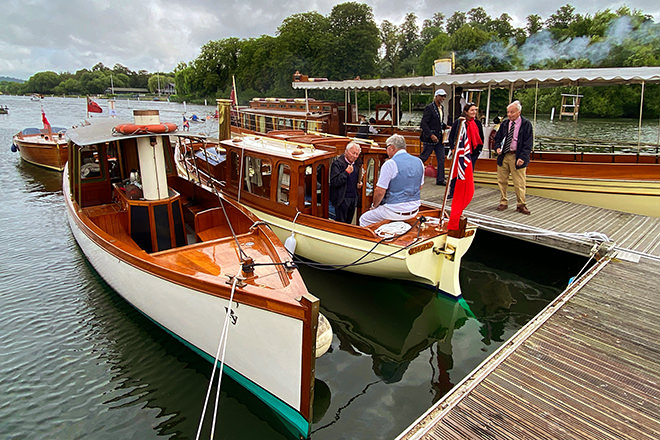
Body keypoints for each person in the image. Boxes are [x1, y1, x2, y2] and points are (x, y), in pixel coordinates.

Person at [359, 134, 424, 227]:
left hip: (394, 210)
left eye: (386, 147)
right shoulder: (419, 162)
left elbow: (380, 191)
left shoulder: (390, 164)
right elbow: (420, 186)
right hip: (414, 209)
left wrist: (374, 206)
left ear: (391, 147)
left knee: (364, 219)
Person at [493, 100, 533, 214]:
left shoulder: (526, 124)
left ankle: (521, 204)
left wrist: (523, 157)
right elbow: (497, 139)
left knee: (519, 182)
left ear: (519, 112)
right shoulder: (505, 124)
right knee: (502, 180)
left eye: (512, 112)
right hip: (504, 155)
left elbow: (528, 143)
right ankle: (503, 201)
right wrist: (497, 148)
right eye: (508, 112)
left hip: (517, 155)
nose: (509, 114)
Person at [446, 102, 484, 198]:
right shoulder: (459, 122)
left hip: (473, 152)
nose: (474, 112)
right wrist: (452, 148)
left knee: (469, 173)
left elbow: (481, 138)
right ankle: (453, 191)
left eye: (475, 110)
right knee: (457, 171)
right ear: (466, 112)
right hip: (460, 151)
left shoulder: (478, 123)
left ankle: (465, 192)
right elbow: (451, 137)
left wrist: (478, 150)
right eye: (472, 110)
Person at [419, 89, 448, 185]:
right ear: (436, 96)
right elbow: (423, 123)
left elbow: (438, 122)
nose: (443, 98)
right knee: (424, 157)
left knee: (441, 158)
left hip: (439, 137)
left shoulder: (441, 108)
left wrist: (445, 126)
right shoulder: (429, 108)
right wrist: (431, 135)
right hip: (430, 138)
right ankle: (412, 172)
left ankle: (440, 179)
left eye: (444, 96)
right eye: (441, 96)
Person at [330, 142, 363, 223]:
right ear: (346, 152)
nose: (355, 156)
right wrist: (346, 172)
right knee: (341, 224)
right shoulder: (337, 164)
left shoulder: (357, 164)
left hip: (352, 199)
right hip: (341, 199)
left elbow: (354, 180)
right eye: (353, 153)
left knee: (349, 223)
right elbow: (334, 182)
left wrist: (359, 184)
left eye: (357, 154)